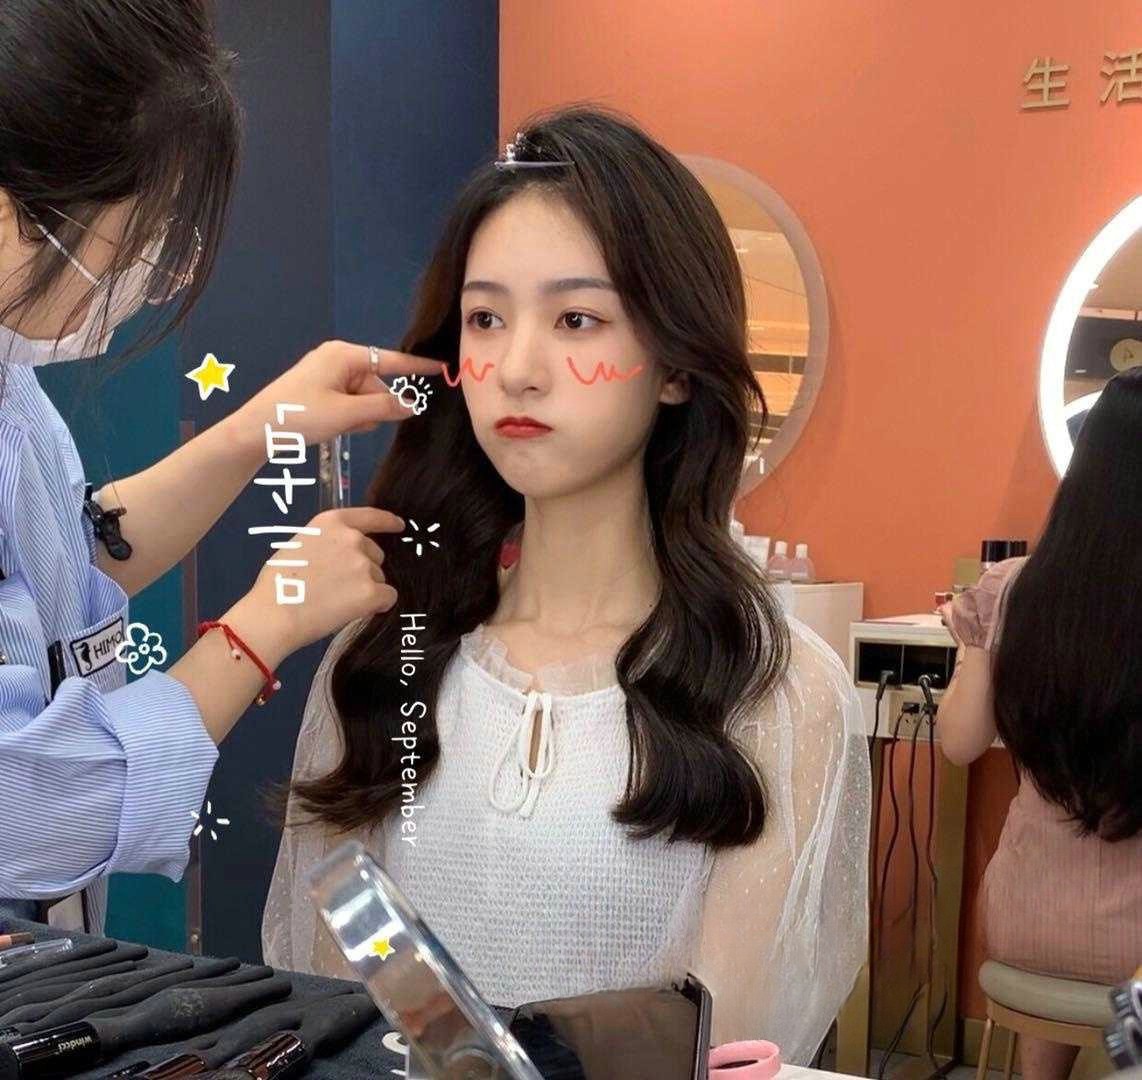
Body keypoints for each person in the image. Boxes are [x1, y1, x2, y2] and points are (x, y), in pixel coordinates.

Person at [263, 106, 872, 1060]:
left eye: (576, 320)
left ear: (674, 367)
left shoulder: (777, 693)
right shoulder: (386, 655)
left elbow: (721, 1042)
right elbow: (344, 996)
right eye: (485, 319)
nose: (517, 368)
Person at [0, 0, 440, 932]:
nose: (150, 269)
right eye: (138, 233)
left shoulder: (13, 384)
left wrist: (256, 430)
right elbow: (27, 811)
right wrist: (262, 625)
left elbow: (60, 560)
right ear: (12, 211)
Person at [939, 368, 1142, 1080]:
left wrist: (971, 645)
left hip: (1026, 926)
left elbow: (959, 744)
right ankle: (1126, 1061)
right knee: (1128, 997)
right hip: (1136, 954)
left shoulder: (1013, 588)